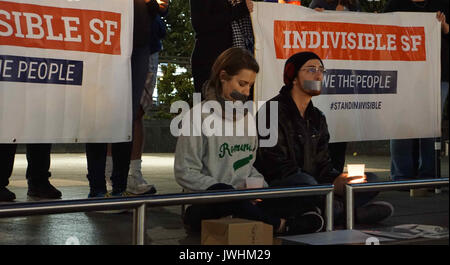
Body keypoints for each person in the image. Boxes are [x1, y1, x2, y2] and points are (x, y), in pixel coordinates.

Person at [174, 47, 324, 235]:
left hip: (246, 197)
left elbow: (249, 164)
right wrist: (228, 191)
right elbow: (185, 171)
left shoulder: (247, 118)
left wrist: (260, 187)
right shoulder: (197, 117)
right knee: (227, 194)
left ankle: (266, 214)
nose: (246, 92)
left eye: (250, 86)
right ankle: (280, 225)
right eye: (242, 84)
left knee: (303, 184)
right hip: (209, 203)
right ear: (223, 77)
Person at [254, 51, 394, 226]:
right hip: (286, 186)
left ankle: (328, 211)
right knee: (305, 183)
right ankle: (344, 212)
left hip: (317, 187)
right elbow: (273, 165)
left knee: (370, 180)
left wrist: (336, 179)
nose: (319, 75)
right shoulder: (271, 111)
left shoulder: (317, 117)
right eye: (311, 69)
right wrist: (324, 187)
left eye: (321, 69)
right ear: (293, 77)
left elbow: (324, 164)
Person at [85, 0, 168, 199]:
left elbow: (163, 9)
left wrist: (157, 4)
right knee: (98, 111)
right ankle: (97, 187)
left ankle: (120, 186)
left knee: (128, 114)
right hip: (104, 36)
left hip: (139, 42)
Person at [384, 0, 449, 181]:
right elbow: (380, 29)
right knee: (400, 124)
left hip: (437, 74)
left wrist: (445, 27)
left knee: (429, 126)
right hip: (403, 74)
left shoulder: (444, 4)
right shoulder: (394, 5)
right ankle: (401, 176)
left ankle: (428, 175)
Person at [309, 0, 361, 173]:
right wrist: (317, 14)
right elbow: (307, 27)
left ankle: (336, 174)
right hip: (326, 71)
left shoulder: (354, 5)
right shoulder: (319, 2)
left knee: (340, 129)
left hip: (345, 72)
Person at [190, 0, 254, 97]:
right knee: (209, 109)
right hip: (211, 61)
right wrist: (239, 10)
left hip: (242, 61)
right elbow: (201, 24)